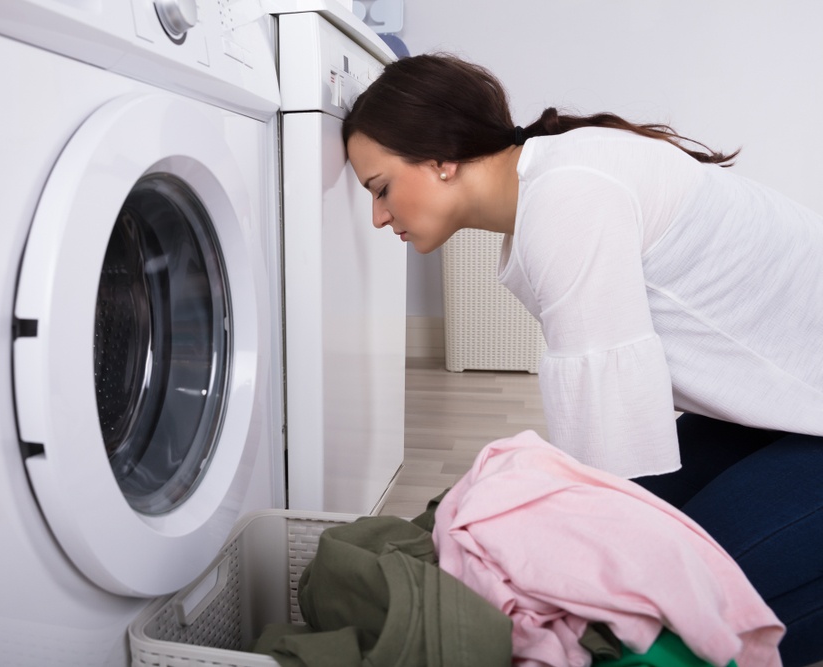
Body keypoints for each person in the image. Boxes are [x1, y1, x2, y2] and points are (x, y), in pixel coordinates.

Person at [342, 52, 823, 666]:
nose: (378, 216)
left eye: (381, 188)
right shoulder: (554, 180)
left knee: (673, 617)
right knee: (647, 577)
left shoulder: (567, 196)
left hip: (801, 409)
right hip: (787, 409)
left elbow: (610, 456)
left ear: (441, 158)